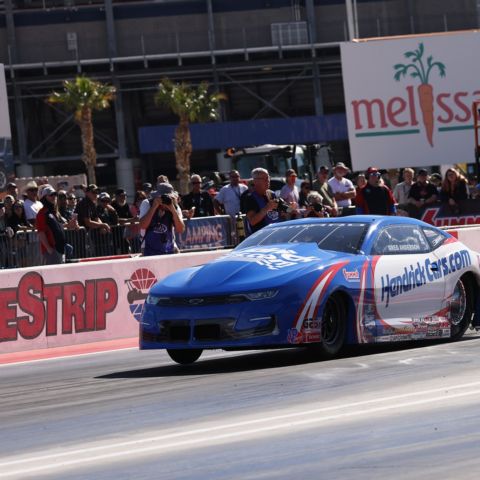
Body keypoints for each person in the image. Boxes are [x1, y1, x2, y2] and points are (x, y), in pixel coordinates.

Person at [139, 182, 185, 256]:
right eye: (162, 198)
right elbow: (143, 225)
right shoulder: (147, 203)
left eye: (168, 198)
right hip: (149, 249)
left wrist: (172, 209)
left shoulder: (174, 206)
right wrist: (154, 207)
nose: (165, 201)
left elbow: (180, 229)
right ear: (157, 196)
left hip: (169, 249)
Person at [244, 167, 286, 234]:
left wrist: (290, 208)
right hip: (261, 237)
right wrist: (267, 208)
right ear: (255, 181)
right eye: (264, 178)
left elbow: (280, 214)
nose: (268, 180)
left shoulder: (272, 194)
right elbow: (252, 221)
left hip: (276, 233)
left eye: (268, 177)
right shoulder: (250, 197)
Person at [75, 184, 111, 256]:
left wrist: (102, 226)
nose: (96, 194)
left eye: (97, 192)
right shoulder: (84, 203)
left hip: (86, 235)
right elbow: (88, 222)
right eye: (93, 192)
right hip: (79, 235)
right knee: (84, 256)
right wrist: (103, 225)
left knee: (91, 255)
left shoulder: (92, 203)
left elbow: (96, 218)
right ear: (87, 193)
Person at [36, 185, 67, 265]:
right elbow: (41, 232)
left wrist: (71, 224)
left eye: (55, 194)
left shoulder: (55, 213)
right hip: (51, 251)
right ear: (44, 197)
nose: (54, 196)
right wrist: (48, 248)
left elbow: (59, 228)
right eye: (51, 195)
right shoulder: (42, 213)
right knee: (52, 276)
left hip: (60, 250)